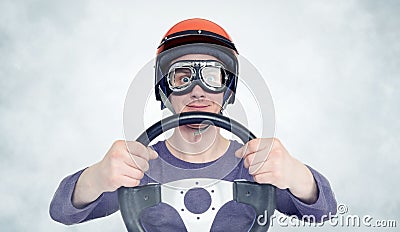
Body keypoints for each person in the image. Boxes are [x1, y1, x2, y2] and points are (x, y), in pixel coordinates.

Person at [50, 18, 337, 231]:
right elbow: (63, 211)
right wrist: (98, 176)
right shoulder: (139, 167)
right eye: (182, 77)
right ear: (164, 89)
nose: (197, 90)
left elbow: (324, 212)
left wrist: (296, 175)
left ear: (228, 90)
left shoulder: (255, 164)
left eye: (212, 76)